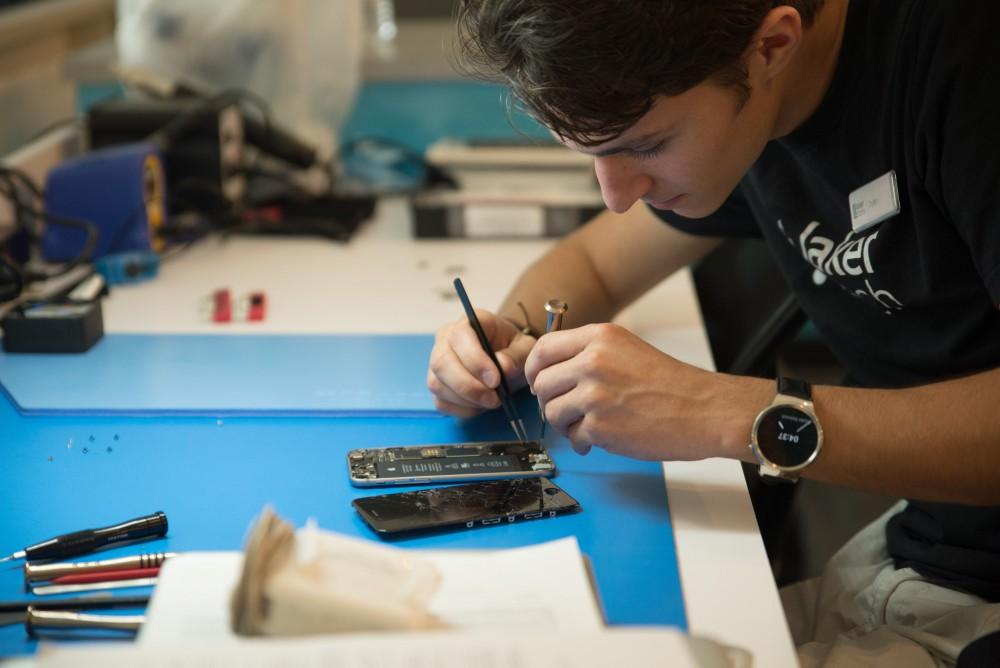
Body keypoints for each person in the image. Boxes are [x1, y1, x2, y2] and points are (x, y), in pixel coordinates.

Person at [426, 0, 1000, 664]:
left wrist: (727, 411)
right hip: (926, 548)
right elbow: (589, 263)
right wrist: (510, 339)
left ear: (772, 46)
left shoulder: (964, 66)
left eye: (645, 145)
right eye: (591, 154)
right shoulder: (750, 92)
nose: (617, 194)